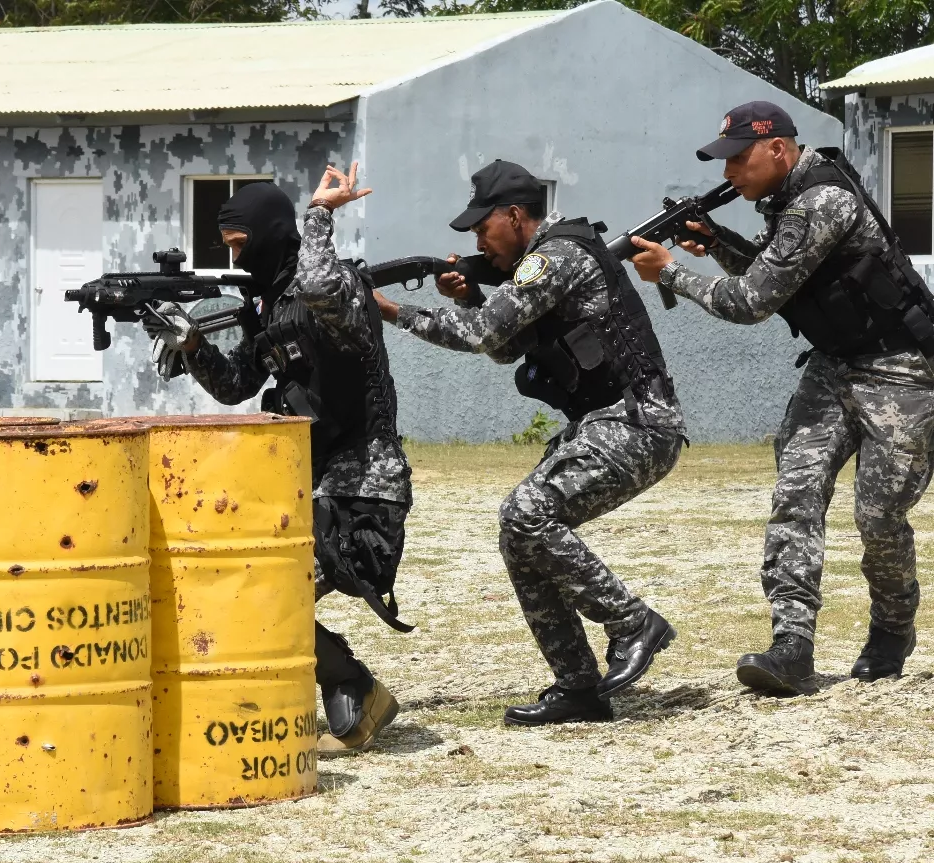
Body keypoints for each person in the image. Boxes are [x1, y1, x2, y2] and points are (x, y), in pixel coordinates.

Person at [630, 101, 934, 695]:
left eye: (739, 159)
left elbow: (751, 302)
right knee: (796, 495)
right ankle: (791, 646)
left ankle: (891, 631)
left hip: (902, 371)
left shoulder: (820, 201)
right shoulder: (788, 201)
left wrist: (669, 272)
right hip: (833, 367)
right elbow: (788, 282)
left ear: (779, 149)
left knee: (878, 519)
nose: (729, 175)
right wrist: (717, 241)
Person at [375, 159, 686, 726]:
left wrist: (393, 311)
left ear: (515, 216)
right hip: (609, 422)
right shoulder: (536, 265)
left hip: (638, 422)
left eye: (481, 228)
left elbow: (482, 335)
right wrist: (471, 296)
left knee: (526, 513)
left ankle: (632, 622)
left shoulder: (554, 257)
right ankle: (579, 688)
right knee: (519, 532)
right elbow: (504, 347)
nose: (476, 241)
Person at [145, 166, 413, 755]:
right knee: (243, 588)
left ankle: (354, 688)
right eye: (229, 246)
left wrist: (320, 213)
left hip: (363, 489)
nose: (237, 257)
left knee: (266, 593)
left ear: (273, 231)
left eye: (243, 243)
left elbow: (316, 286)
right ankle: (347, 689)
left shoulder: (332, 285)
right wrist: (193, 344)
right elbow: (237, 385)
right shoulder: (266, 305)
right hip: (305, 484)